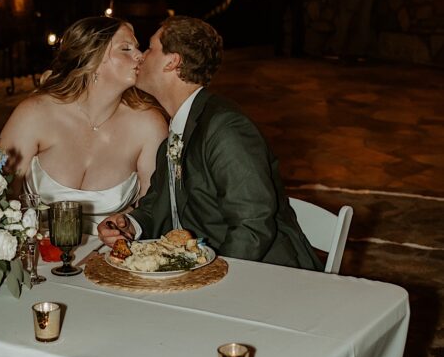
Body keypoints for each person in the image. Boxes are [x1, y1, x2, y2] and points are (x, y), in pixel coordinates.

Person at [98, 16, 322, 270]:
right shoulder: (178, 127)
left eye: (150, 48)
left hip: (268, 276)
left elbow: (253, 225)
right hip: (199, 269)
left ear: (173, 62)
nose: (141, 56)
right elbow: (161, 202)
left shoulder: (225, 128)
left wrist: (212, 278)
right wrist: (131, 224)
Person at [0, 16, 167, 233]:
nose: (139, 56)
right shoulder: (36, 114)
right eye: (125, 48)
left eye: (137, 48)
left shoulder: (148, 125)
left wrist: (128, 230)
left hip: (112, 260)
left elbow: (154, 212)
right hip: (40, 258)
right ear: (92, 60)